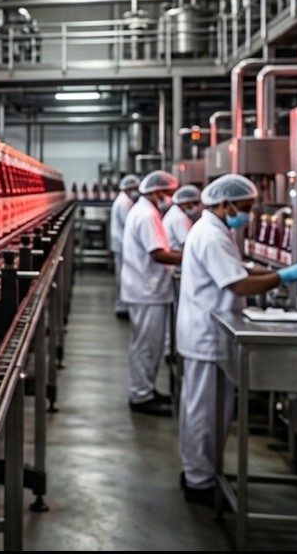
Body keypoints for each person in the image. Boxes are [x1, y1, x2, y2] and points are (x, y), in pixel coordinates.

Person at [175, 174, 297, 506]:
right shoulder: (211, 235)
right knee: (205, 413)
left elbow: (236, 269)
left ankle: (198, 472)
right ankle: (199, 481)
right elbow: (237, 284)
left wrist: (275, 272)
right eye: (245, 208)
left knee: (206, 409)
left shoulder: (215, 230)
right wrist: (283, 276)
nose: (248, 215)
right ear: (224, 204)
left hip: (209, 333)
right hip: (205, 336)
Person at [120, 170, 182, 417]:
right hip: (147, 290)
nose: (170, 198)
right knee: (147, 346)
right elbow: (158, 253)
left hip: (146, 288)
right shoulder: (147, 214)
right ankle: (142, 395)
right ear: (158, 191)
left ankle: (145, 389)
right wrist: (194, 257)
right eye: (168, 193)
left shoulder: (145, 210)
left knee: (146, 345)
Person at [110, 173, 141, 319]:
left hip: (122, 244)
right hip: (122, 244)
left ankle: (123, 304)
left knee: (122, 275)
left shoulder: (125, 200)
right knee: (123, 276)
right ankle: (122, 306)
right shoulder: (124, 203)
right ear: (129, 188)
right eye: (135, 188)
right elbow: (129, 224)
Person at [164, 185, 202, 252]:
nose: (195, 207)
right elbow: (187, 242)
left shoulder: (174, 213)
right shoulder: (179, 217)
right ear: (185, 202)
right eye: (194, 203)